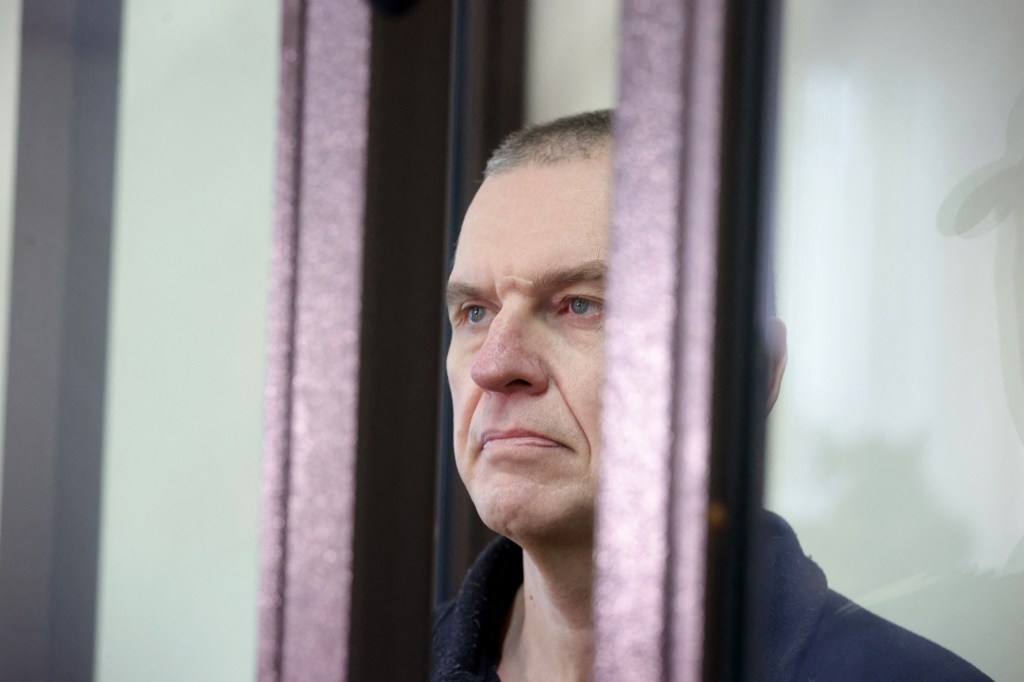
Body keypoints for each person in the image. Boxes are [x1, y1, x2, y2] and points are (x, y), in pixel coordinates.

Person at [431, 110, 990, 681]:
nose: (494, 367)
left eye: (581, 305)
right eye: (475, 312)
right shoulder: (377, 654)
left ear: (746, 376)